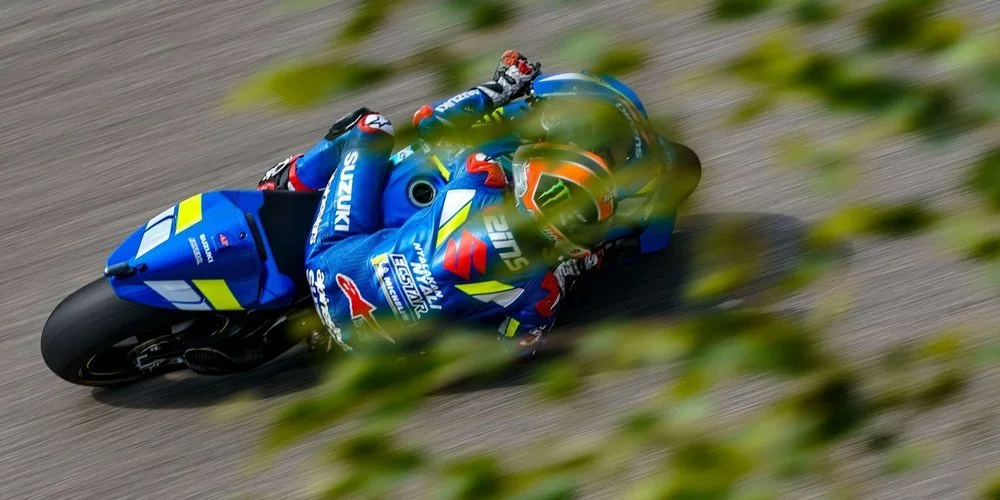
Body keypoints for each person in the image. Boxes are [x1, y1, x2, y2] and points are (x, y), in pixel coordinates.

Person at [183, 51, 700, 373]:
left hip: (332, 260)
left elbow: (434, 126)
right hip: (372, 346)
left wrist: (500, 87)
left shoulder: (480, 176)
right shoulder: (543, 292)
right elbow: (515, 348)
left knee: (371, 130)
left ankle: (288, 182)